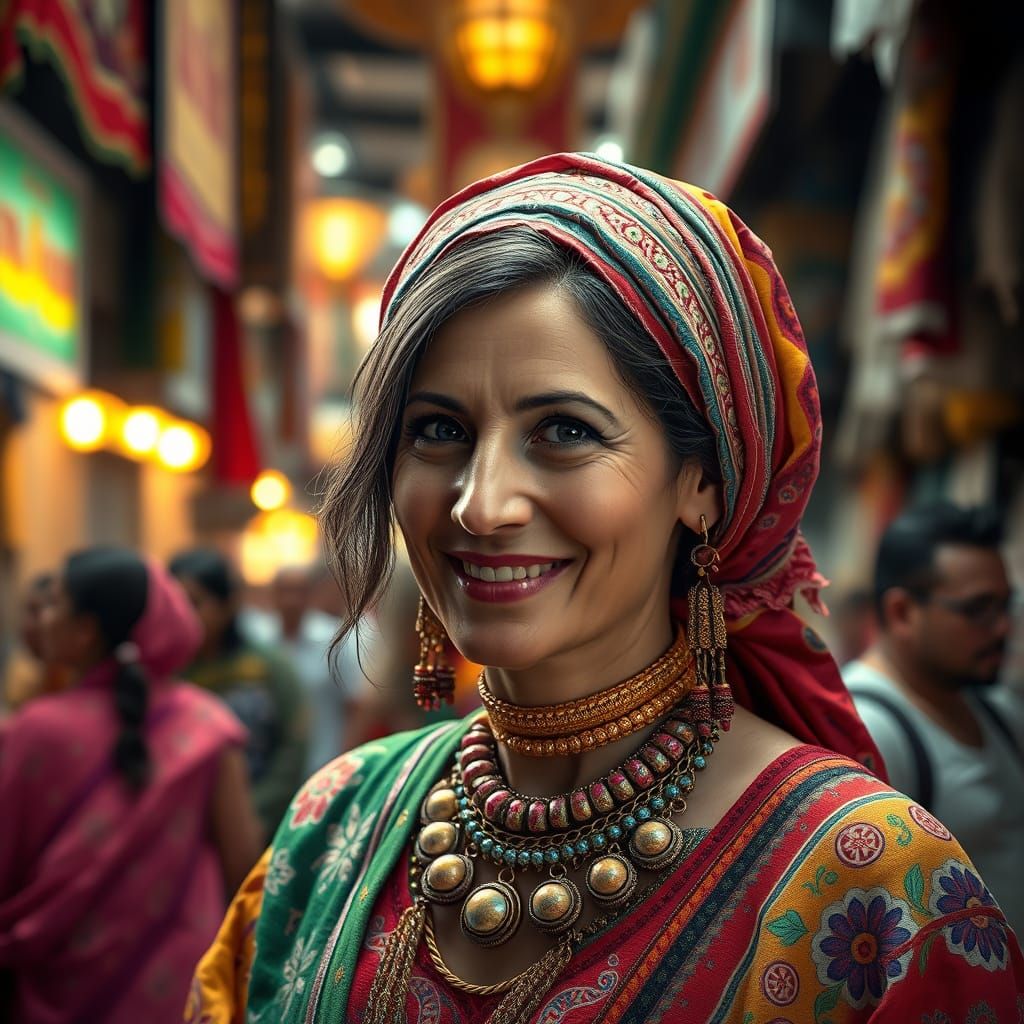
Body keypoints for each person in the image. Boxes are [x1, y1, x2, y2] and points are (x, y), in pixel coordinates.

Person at [188, 154, 1023, 1023]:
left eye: (562, 431)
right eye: (439, 430)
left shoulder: (875, 887)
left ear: (703, 480)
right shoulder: (331, 825)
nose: (481, 504)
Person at [0, 547, 262, 1024]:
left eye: (54, 603)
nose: (41, 617)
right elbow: (243, 867)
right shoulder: (208, 724)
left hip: (55, 989)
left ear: (86, 631)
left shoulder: (35, 731)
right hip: (180, 985)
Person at [843, 503, 1024, 935]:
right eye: (978, 609)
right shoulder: (868, 729)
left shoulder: (994, 709)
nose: (1002, 628)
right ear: (903, 612)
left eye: (1005, 606)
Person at [170, 548, 310, 836]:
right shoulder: (166, 675)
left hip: (261, 824)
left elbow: (293, 747)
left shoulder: (269, 667)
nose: (182, 615)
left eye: (194, 603)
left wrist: (247, 816)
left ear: (227, 604)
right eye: (174, 604)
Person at [244, 564, 359, 775]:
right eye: (285, 592)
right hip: (272, 771)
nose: (292, 600)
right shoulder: (258, 642)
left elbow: (354, 705)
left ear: (310, 595)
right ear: (273, 595)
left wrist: (345, 760)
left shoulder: (334, 639)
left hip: (325, 764)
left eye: (299, 592)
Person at [2, 572, 69, 712]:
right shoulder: (20, 667)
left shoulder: (71, 676)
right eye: (25, 612)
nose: (25, 624)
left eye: (35, 612)